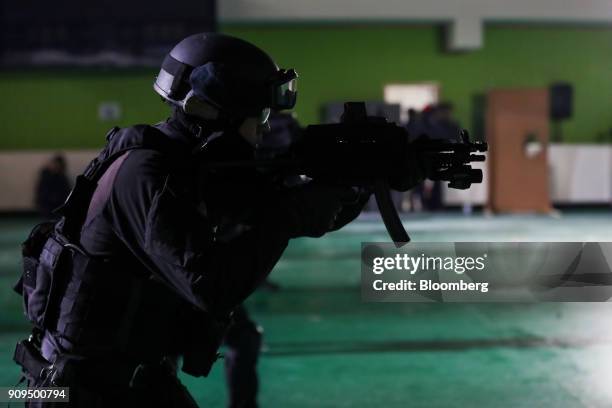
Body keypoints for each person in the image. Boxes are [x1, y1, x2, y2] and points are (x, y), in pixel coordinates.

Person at [13, 33, 372, 408]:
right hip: (71, 391)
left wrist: (356, 185)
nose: (265, 129)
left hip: (131, 381)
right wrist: (289, 215)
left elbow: (299, 211)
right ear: (222, 115)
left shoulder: (191, 167)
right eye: (260, 116)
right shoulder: (147, 174)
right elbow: (211, 286)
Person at [34, 154, 71, 219]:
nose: (55, 166)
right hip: (47, 204)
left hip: (57, 204)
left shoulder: (62, 178)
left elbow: (66, 193)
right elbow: (42, 193)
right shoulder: (46, 176)